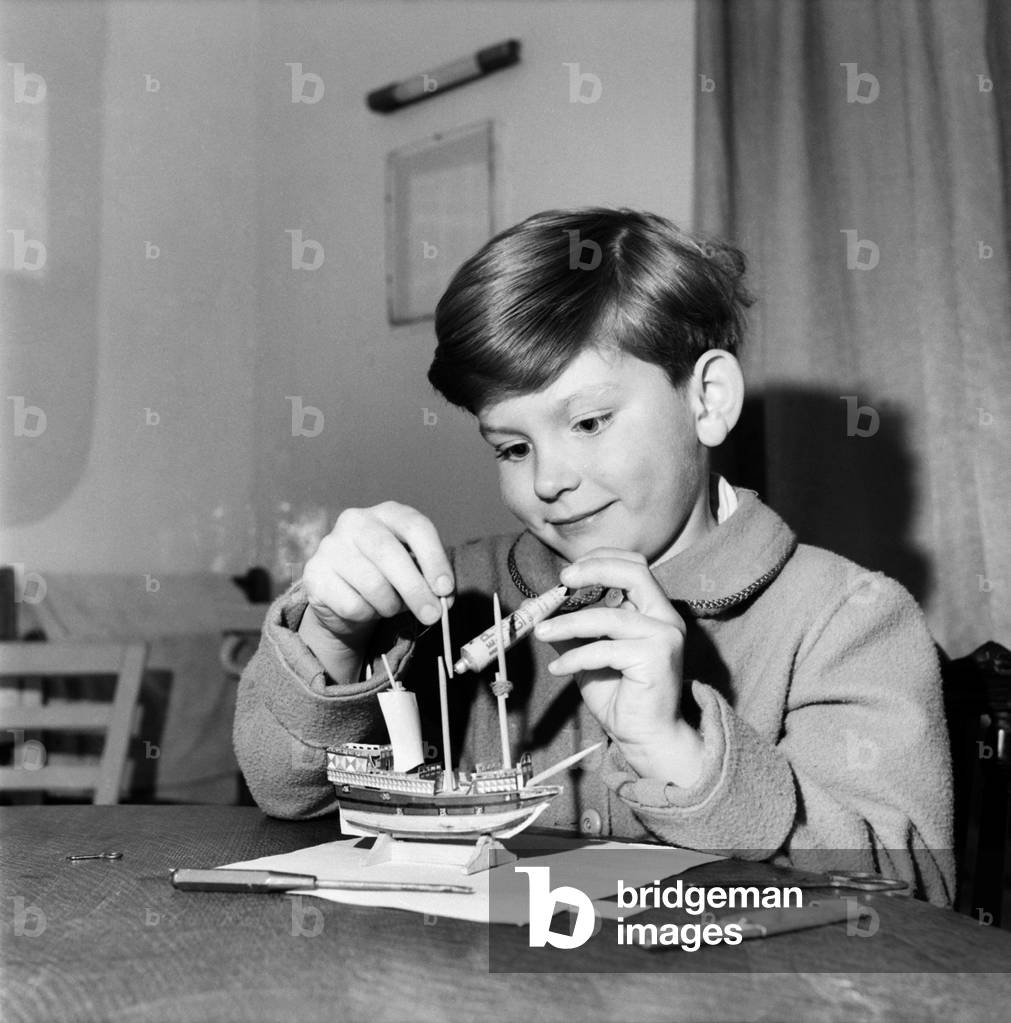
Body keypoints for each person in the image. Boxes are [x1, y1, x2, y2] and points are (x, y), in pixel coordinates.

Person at [234, 208, 954, 905]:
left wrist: (680, 752)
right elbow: (288, 796)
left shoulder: (849, 619)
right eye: (512, 448)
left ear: (707, 400)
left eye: (587, 422)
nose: (547, 480)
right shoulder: (453, 598)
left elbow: (909, 897)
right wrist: (334, 635)